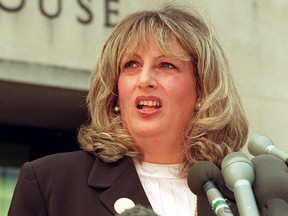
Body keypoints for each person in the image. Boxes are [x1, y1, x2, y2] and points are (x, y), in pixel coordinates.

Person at [8, 3, 248, 216]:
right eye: (131, 65)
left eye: (166, 65)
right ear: (115, 90)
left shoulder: (245, 192)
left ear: (202, 90)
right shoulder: (50, 182)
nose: (145, 80)